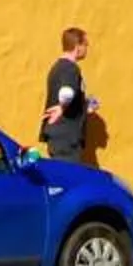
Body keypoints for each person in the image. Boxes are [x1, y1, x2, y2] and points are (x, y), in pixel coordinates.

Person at [42, 27, 95, 164]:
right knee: (67, 180)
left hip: (59, 136)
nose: (87, 49)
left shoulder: (58, 67)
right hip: (67, 138)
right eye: (86, 45)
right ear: (77, 47)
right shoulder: (70, 68)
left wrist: (84, 107)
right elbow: (66, 92)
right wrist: (62, 107)